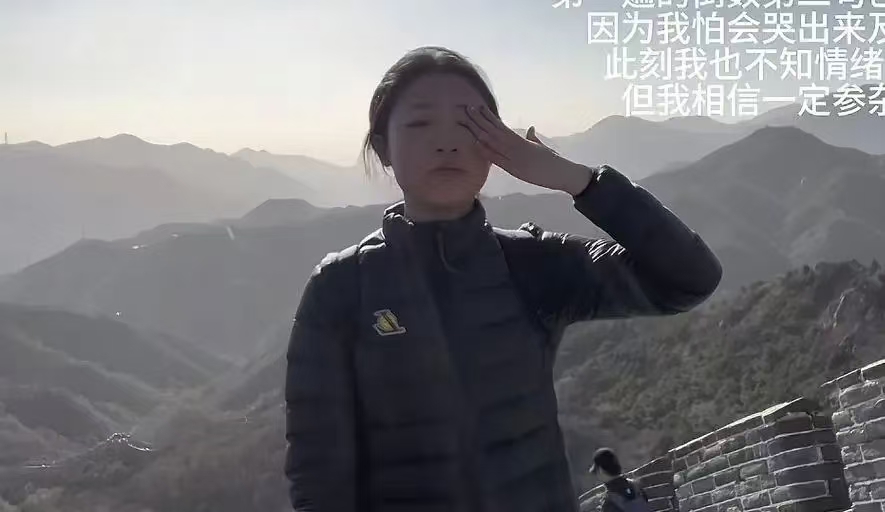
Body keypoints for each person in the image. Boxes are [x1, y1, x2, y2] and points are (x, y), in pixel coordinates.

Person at [283, 45, 722, 512]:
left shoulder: (533, 263)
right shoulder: (341, 286)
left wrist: (580, 180)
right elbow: (318, 471)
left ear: (497, 144)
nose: (446, 142)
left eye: (469, 124)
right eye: (420, 123)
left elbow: (688, 279)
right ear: (382, 148)